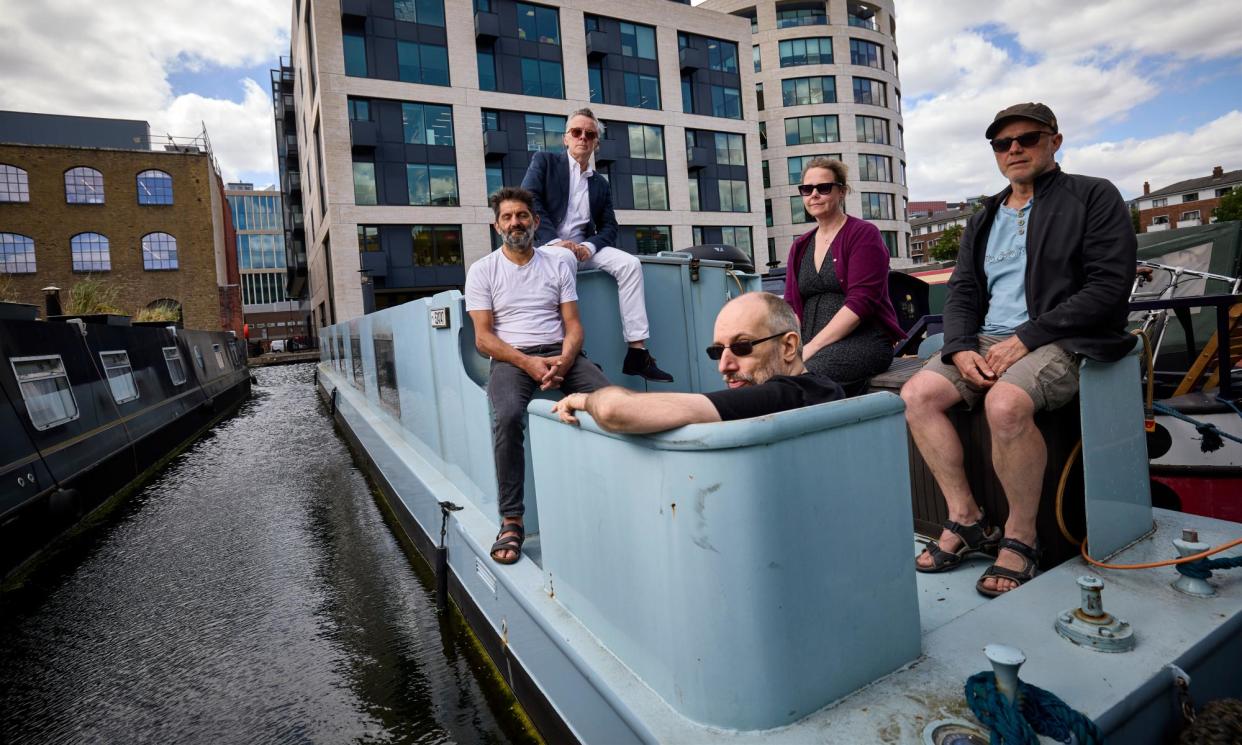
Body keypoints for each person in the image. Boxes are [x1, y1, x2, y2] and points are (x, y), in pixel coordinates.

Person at [900, 103, 1137, 597]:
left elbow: (1109, 286)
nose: (1014, 150)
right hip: (989, 337)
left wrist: (1028, 337)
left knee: (1004, 403)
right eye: (1002, 144)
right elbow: (963, 290)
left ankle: (1021, 536)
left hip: (1063, 337)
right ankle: (966, 519)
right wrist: (961, 347)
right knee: (918, 394)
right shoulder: (984, 215)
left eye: (1027, 139)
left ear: (1055, 140)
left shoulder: (1092, 196)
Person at [465, 186, 612, 565]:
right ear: (497, 226)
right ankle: (512, 519)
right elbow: (483, 339)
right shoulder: (483, 271)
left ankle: (618, 496)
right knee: (509, 416)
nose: (516, 222)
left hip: (560, 353)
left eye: (522, 216)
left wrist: (563, 361)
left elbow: (574, 326)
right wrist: (528, 364)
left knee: (611, 401)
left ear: (536, 221)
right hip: (512, 360)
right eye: (508, 217)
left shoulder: (557, 264)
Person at [521, 108, 673, 383]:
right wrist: (557, 242)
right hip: (547, 246)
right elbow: (529, 200)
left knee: (629, 264)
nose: (583, 138)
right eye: (576, 132)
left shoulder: (600, 183)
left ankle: (637, 352)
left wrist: (589, 247)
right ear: (565, 138)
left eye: (590, 135)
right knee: (563, 260)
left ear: (596, 144)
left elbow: (610, 227)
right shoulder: (544, 162)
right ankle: (572, 351)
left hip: (583, 248)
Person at [552, 293, 843, 433]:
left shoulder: (790, 395)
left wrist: (583, 399)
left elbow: (615, 410)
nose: (724, 366)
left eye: (742, 347)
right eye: (717, 352)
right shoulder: (822, 390)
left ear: (789, 346)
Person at [783, 157, 904, 395]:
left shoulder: (862, 234)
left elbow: (861, 302)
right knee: (770, 375)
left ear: (842, 192)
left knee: (806, 379)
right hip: (810, 342)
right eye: (807, 189)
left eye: (823, 188)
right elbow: (791, 306)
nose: (813, 195)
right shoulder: (800, 246)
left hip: (863, 340)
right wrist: (792, 348)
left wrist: (811, 348)